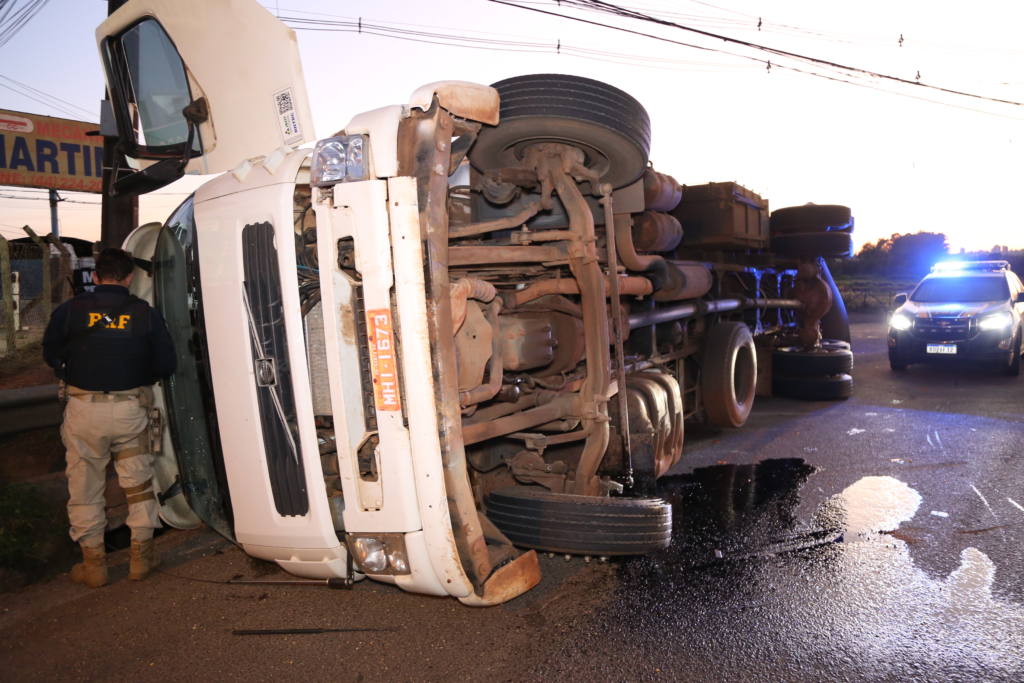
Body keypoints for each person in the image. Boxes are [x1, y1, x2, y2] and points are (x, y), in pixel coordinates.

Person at [42, 247, 176, 587]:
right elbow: (166, 364)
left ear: (96, 277)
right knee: (138, 481)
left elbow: (50, 354)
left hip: (83, 411)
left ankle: (94, 564)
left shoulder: (70, 311)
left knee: (85, 483)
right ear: (130, 278)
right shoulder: (144, 313)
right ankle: (141, 558)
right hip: (130, 410)